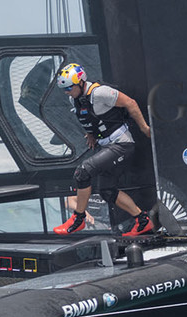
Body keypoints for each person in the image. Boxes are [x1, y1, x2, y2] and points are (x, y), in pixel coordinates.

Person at [52, 63, 155, 236]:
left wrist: (145, 128)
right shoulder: (74, 99)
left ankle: (78, 219)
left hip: (122, 145)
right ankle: (143, 221)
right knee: (107, 191)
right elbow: (88, 117)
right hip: (107, 146)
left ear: (80, 82)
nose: (66, 92)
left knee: (82, 173)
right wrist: (91, 134)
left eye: (69, 87)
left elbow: (130, 103)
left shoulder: (100, 93)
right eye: (64, 89)